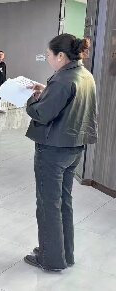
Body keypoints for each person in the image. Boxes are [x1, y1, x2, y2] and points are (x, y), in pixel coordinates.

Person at [23, 34, 97, 272]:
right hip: (73, 147)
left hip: (53, 149)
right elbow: (69, 101)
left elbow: (42, 114)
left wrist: (31, 100)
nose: (47, 58)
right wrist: (46, 91)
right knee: (64, 201)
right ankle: (64, 253)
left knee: (48, 204)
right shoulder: (84, 75)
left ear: (61, 56)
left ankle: (51, 258)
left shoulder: (63, 79)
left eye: (49, 54)